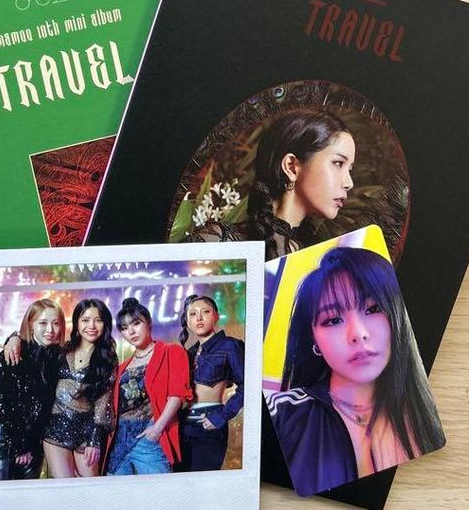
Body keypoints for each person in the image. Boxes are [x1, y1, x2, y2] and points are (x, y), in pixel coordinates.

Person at [265, 246, 445, 496]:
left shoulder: (430, 406)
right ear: (313, 341)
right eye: (333, 320)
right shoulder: (283, 414)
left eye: (373, 309)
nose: (358, 334)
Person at [193, 108, 355, 259]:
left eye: (350, 169)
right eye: (338, 163)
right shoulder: (219, 244)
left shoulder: (322, 258)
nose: (349, 183)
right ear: (291, 167)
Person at [104, 296, 192, 475]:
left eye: (136, 323)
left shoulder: (171, 352)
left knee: (158, 490)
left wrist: (158, 428)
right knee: (117, 492)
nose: (131, 331)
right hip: (118, 441)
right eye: (124, 328)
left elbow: (177, 394)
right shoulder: (122, 367)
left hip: (148, 436)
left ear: (149, 322)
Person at [0, 298, 65, 480]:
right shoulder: (13, 354)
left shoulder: (56, 357)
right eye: (43, 323)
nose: (50, 330)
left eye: (55, 323)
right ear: (30, 325)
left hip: (34, 443)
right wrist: (20, 446)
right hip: (7, 441)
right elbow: (6, 405)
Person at [41, 298, 117, 477]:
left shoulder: (107, 359)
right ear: (76, 323)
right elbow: (33, 347)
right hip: (56, 430)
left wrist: (94, 440)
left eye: (98, 320)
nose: (91, 326)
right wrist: (13, 339)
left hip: (86, 434)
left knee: (91, 489)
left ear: (105, 324)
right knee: (66, 488)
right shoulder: (60, 351)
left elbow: (103, 404)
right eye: (85, 320)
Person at [178, 294, 245, 471]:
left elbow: (248, 387)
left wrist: (222, 416)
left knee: (201, 482)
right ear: (188, 321)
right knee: (180, 482)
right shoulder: (189, 353)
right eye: (193, 314)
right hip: (182, 426)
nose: (199, 318)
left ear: (216, 315)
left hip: (208, 424)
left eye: (205, 312)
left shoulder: (230, 346)